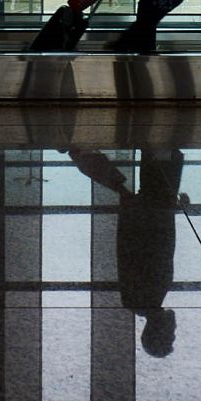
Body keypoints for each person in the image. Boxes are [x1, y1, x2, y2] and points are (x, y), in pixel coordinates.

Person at [69, 148, 186, 357]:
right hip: (155, 204)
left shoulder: (144, 298)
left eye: (170, 336)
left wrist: (159, 210)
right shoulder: (145, 299)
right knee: (162, 147)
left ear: (158, 332)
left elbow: (138, 249)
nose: (174, 331)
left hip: (155, 203)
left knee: (163, 144)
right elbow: (143, 248)